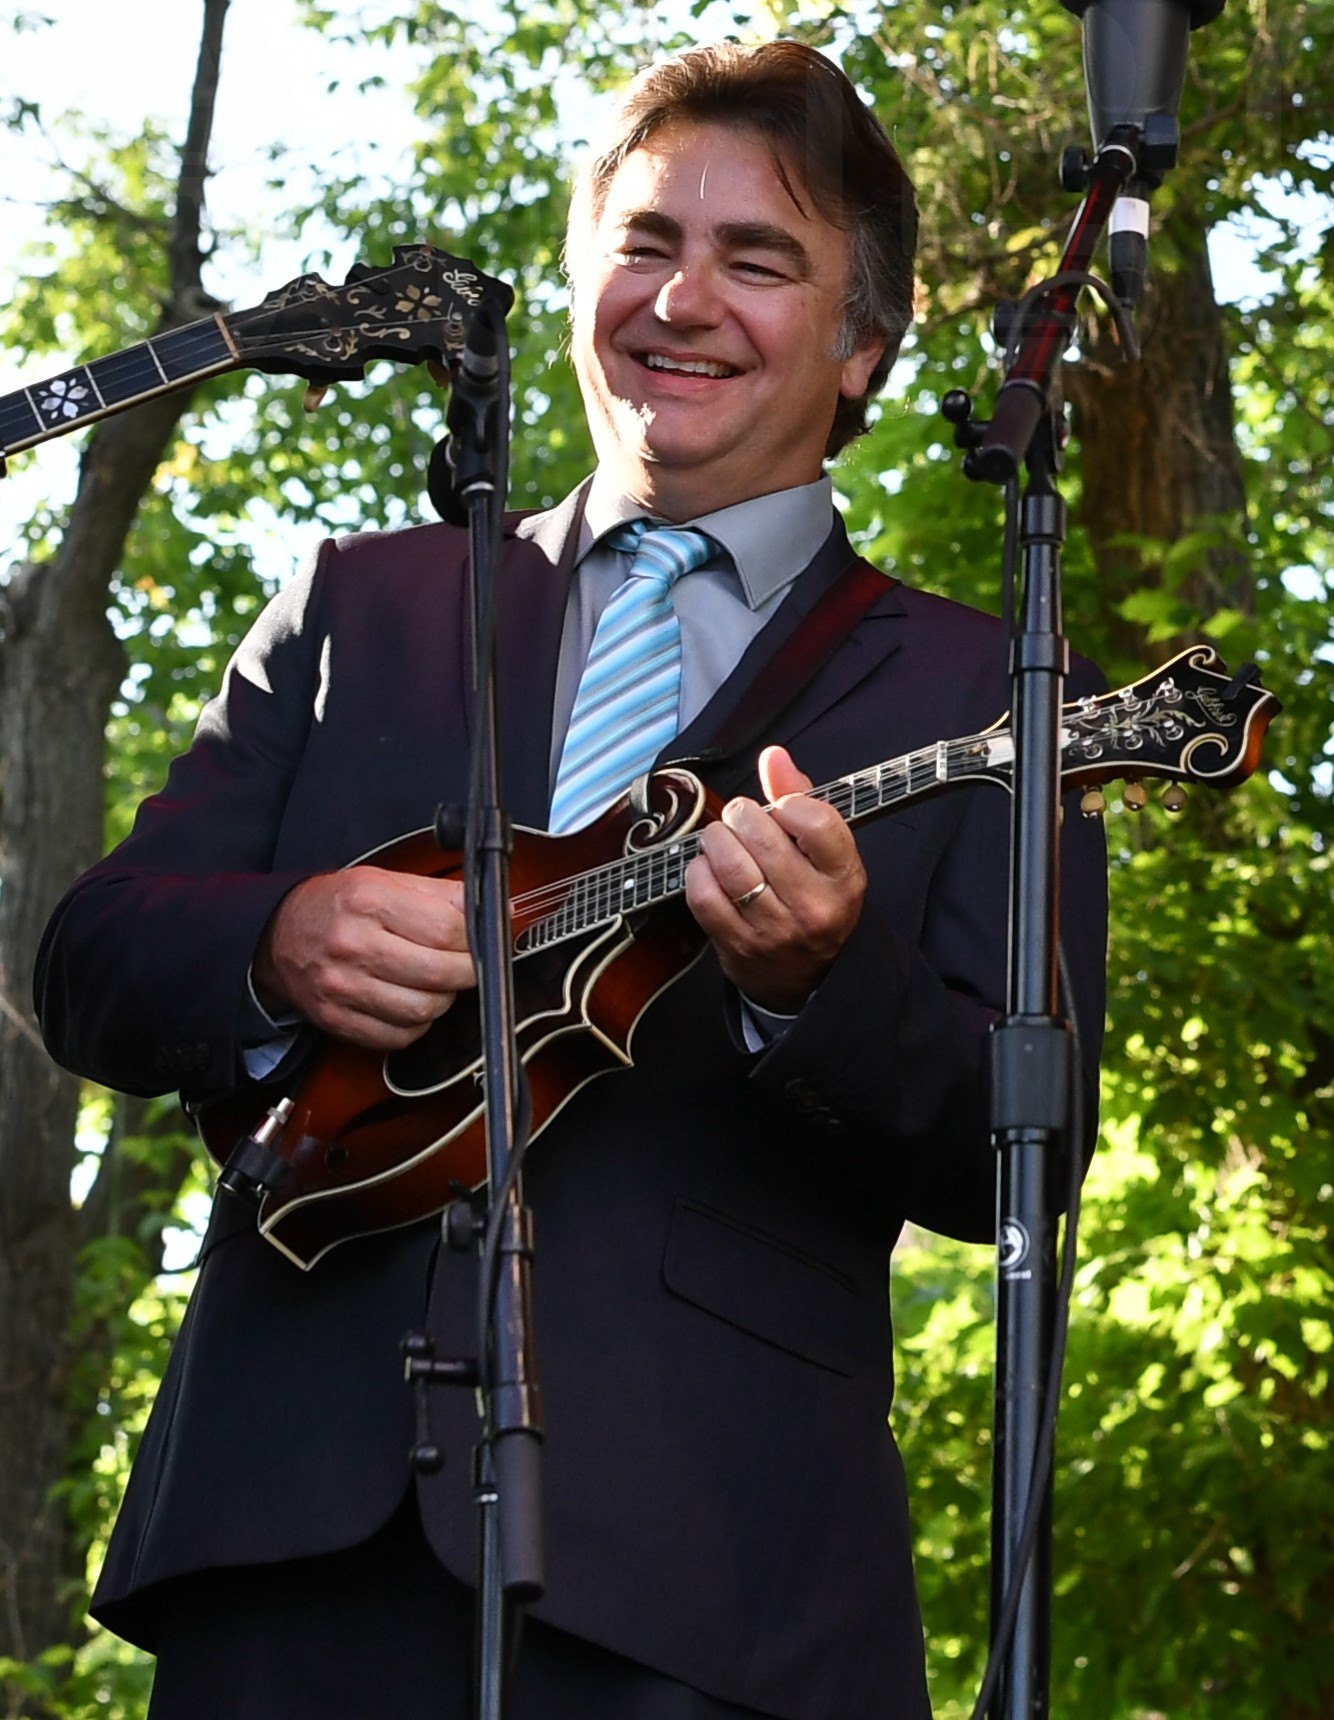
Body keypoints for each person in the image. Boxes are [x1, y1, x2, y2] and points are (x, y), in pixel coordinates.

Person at [34, 39, 1107, 1720]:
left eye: (757, 261)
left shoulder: (986, 692)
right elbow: (91, 960)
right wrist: (279, 940)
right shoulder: (359, 602)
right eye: (644, 243)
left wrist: (819, 987)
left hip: (716, 1580)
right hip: (284, 1544)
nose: (682, 301)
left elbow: (1016, 1160)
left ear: (861, 346)